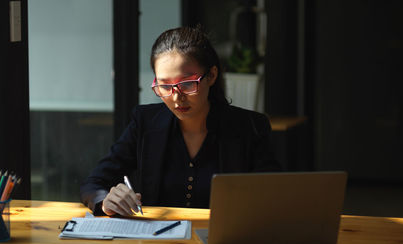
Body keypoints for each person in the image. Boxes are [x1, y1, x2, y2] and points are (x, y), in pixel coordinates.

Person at [80, 26, 280, 216]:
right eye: (165, 86)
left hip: (224, 242)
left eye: (187, 84)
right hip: (157, 243)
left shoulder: (250, 127)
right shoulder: (145, 122)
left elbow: (272, 196)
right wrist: (106, 201)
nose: (176, 97)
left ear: (211, 75)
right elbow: (94, 183)